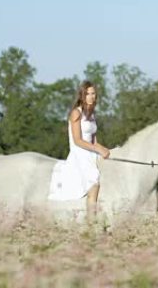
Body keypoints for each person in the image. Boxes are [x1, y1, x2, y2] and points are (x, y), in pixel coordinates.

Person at [48, 80, 110, 219]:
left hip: (91, 150)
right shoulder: (76, 113)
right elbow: (78, 140)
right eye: (88, 94)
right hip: (80, 152)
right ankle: (91, 221)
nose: (91, 96)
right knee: (94, 183)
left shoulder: (92, 115)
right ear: (82, 95)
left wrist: (105, 150)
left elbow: (94, 140)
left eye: (93, 93)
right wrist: (97, 150)